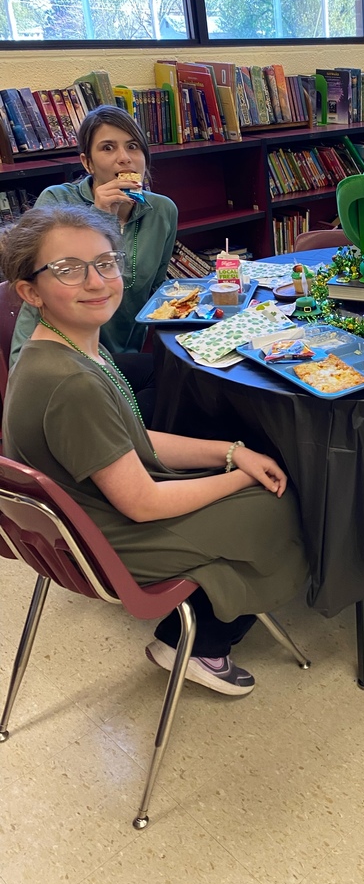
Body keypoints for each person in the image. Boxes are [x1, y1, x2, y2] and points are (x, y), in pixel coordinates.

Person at [1, 205, 308, 696]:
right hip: (104, 542)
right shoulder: (70, 384)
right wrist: (240, 476)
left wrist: (233, 453)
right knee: (285, 505)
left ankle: (202, 623)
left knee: (252, 467)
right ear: (30, 291)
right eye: (68, 269)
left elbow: (133, 437)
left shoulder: (64, 345)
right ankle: (204, 644)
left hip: (81, 523)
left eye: (105, 262)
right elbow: (142, 504)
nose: (96, 281)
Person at [10, 105, 178, 421]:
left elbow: (158, 292)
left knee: (181, 385)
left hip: (115, 355)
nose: (124, 158)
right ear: (87, 162)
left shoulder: (163, 211)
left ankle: (149, 457)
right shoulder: (56, 201)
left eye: (133, 146)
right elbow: (69, 277)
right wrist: (102, 214)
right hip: (57, 353)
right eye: (107, 148)